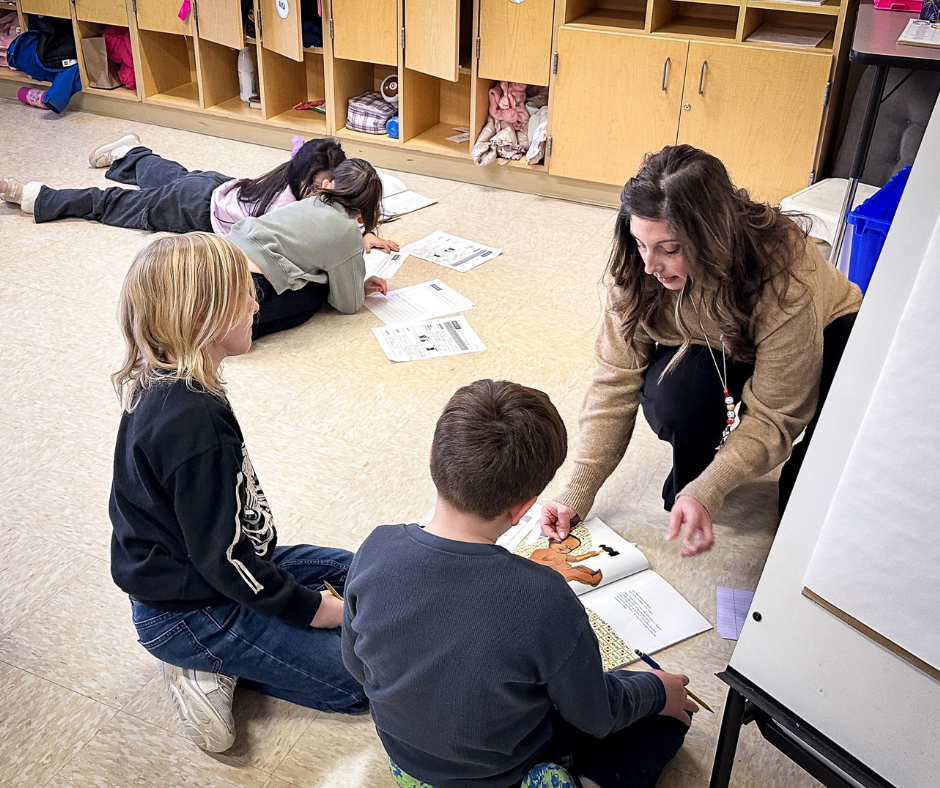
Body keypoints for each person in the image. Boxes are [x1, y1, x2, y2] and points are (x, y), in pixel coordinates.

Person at [342, 379, 696, 788]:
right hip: (506, 772)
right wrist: (656, 691)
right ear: (524, 507)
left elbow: (355, 665)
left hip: (409, 765)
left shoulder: (375, 545)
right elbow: (596, 716)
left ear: (432, 458)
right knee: (659, 721)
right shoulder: (545, 597)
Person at [109, 232, 367, 753]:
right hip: (188, 609)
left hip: (221, 570)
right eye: (244, 293)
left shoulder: (179, 384)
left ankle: (229, 652)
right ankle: (200, 661)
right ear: (202, 314)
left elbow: (226, 546)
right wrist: (319, 612)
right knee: (357, 680)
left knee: (365, 570)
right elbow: (226, 562)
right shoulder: (191, 423)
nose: (256, 302)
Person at [541, 145, 863, 557]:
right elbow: (614, 381)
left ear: (711, 239)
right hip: (716, 341)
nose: (649, 266)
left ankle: (735, 476)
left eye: (670, 249)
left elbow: (777, 414)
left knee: (811, 501)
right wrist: (577, 490)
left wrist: (712, 487)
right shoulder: (639, 268)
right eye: (641, 244)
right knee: (678, 397)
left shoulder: (786, 279)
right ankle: (695, 477)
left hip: (824, 331)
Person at [0, 134, 392, 249]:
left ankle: (131, 152)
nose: (329, 193)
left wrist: (366, 233)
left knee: (172, 176)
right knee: (113, 205)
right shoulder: (293, 208)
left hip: (214, 185)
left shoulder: (292, 177)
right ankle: (29, 193)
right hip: (194, 209)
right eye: (325, 187)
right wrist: (359, 241)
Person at [226, 157, 392, 339]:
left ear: (328, 185)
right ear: (363, 215)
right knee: (314, 296)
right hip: (250, 287)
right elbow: (348, 305)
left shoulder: (310, 201)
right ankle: (243, 330)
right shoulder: (348, 232)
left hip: (222, 253)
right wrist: (358, 288)